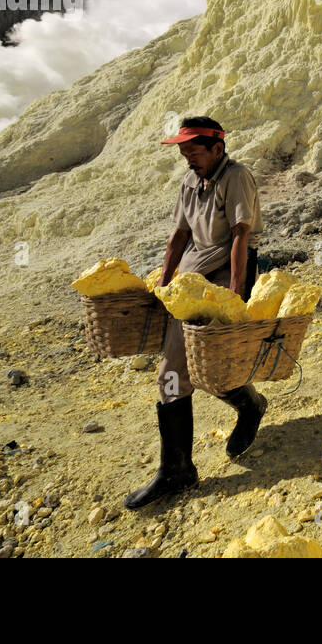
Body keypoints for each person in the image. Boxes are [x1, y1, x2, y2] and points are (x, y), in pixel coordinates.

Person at [124, 116, 265, 509]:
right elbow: (179, 236)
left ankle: (249, 405)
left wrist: (234, 296)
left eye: (194, 152)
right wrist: (164, 286)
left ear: (218, 148)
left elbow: (240, 236)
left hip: (224, 274)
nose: (188, 159)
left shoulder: (237, 177)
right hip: (191, 280)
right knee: (173, 372)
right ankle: (178, 470)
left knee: (210, 365)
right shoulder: (189, 182)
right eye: (184, 153)